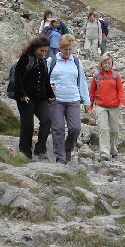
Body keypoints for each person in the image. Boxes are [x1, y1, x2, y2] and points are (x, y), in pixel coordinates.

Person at [47, 34, 90, 164]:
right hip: (57, 100)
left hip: (73, 99)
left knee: (75, 128)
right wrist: (48, 89)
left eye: (70, 49)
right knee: (58, 128)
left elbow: (82, 81)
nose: (68, 52)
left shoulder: (76, 62)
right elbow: (45, 80)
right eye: (65, 49)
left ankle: (67, 149)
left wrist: (87, 102)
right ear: (60, 48)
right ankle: (60, 158)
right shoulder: (51, 61)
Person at [13, 35, 55, 160]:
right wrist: (22, 94)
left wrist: (50, 95)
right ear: (35, 48)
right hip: (25, 98)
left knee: (47, 119)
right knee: (28, 124)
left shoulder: (42, 61)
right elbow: (18, 78)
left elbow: (45, 80)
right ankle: (25, 152)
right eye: (41, 51)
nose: (43, 53)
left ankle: (40, 148)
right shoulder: (26, 59)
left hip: (40, 97)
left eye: (45, 51)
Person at [88, 53, 125, 161]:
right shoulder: (97, 77)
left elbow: (121, 91)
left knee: (114, 130)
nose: (107, 65)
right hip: (101, 106)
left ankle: (113, 149)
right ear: (101, 64)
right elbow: (92, 92)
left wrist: (122, 102)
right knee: (103, 128)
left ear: (112, 64)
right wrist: (90, 106)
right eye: (105, 63)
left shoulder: (116, 76)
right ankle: (104, 152)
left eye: (109, 63)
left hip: (114, 106)